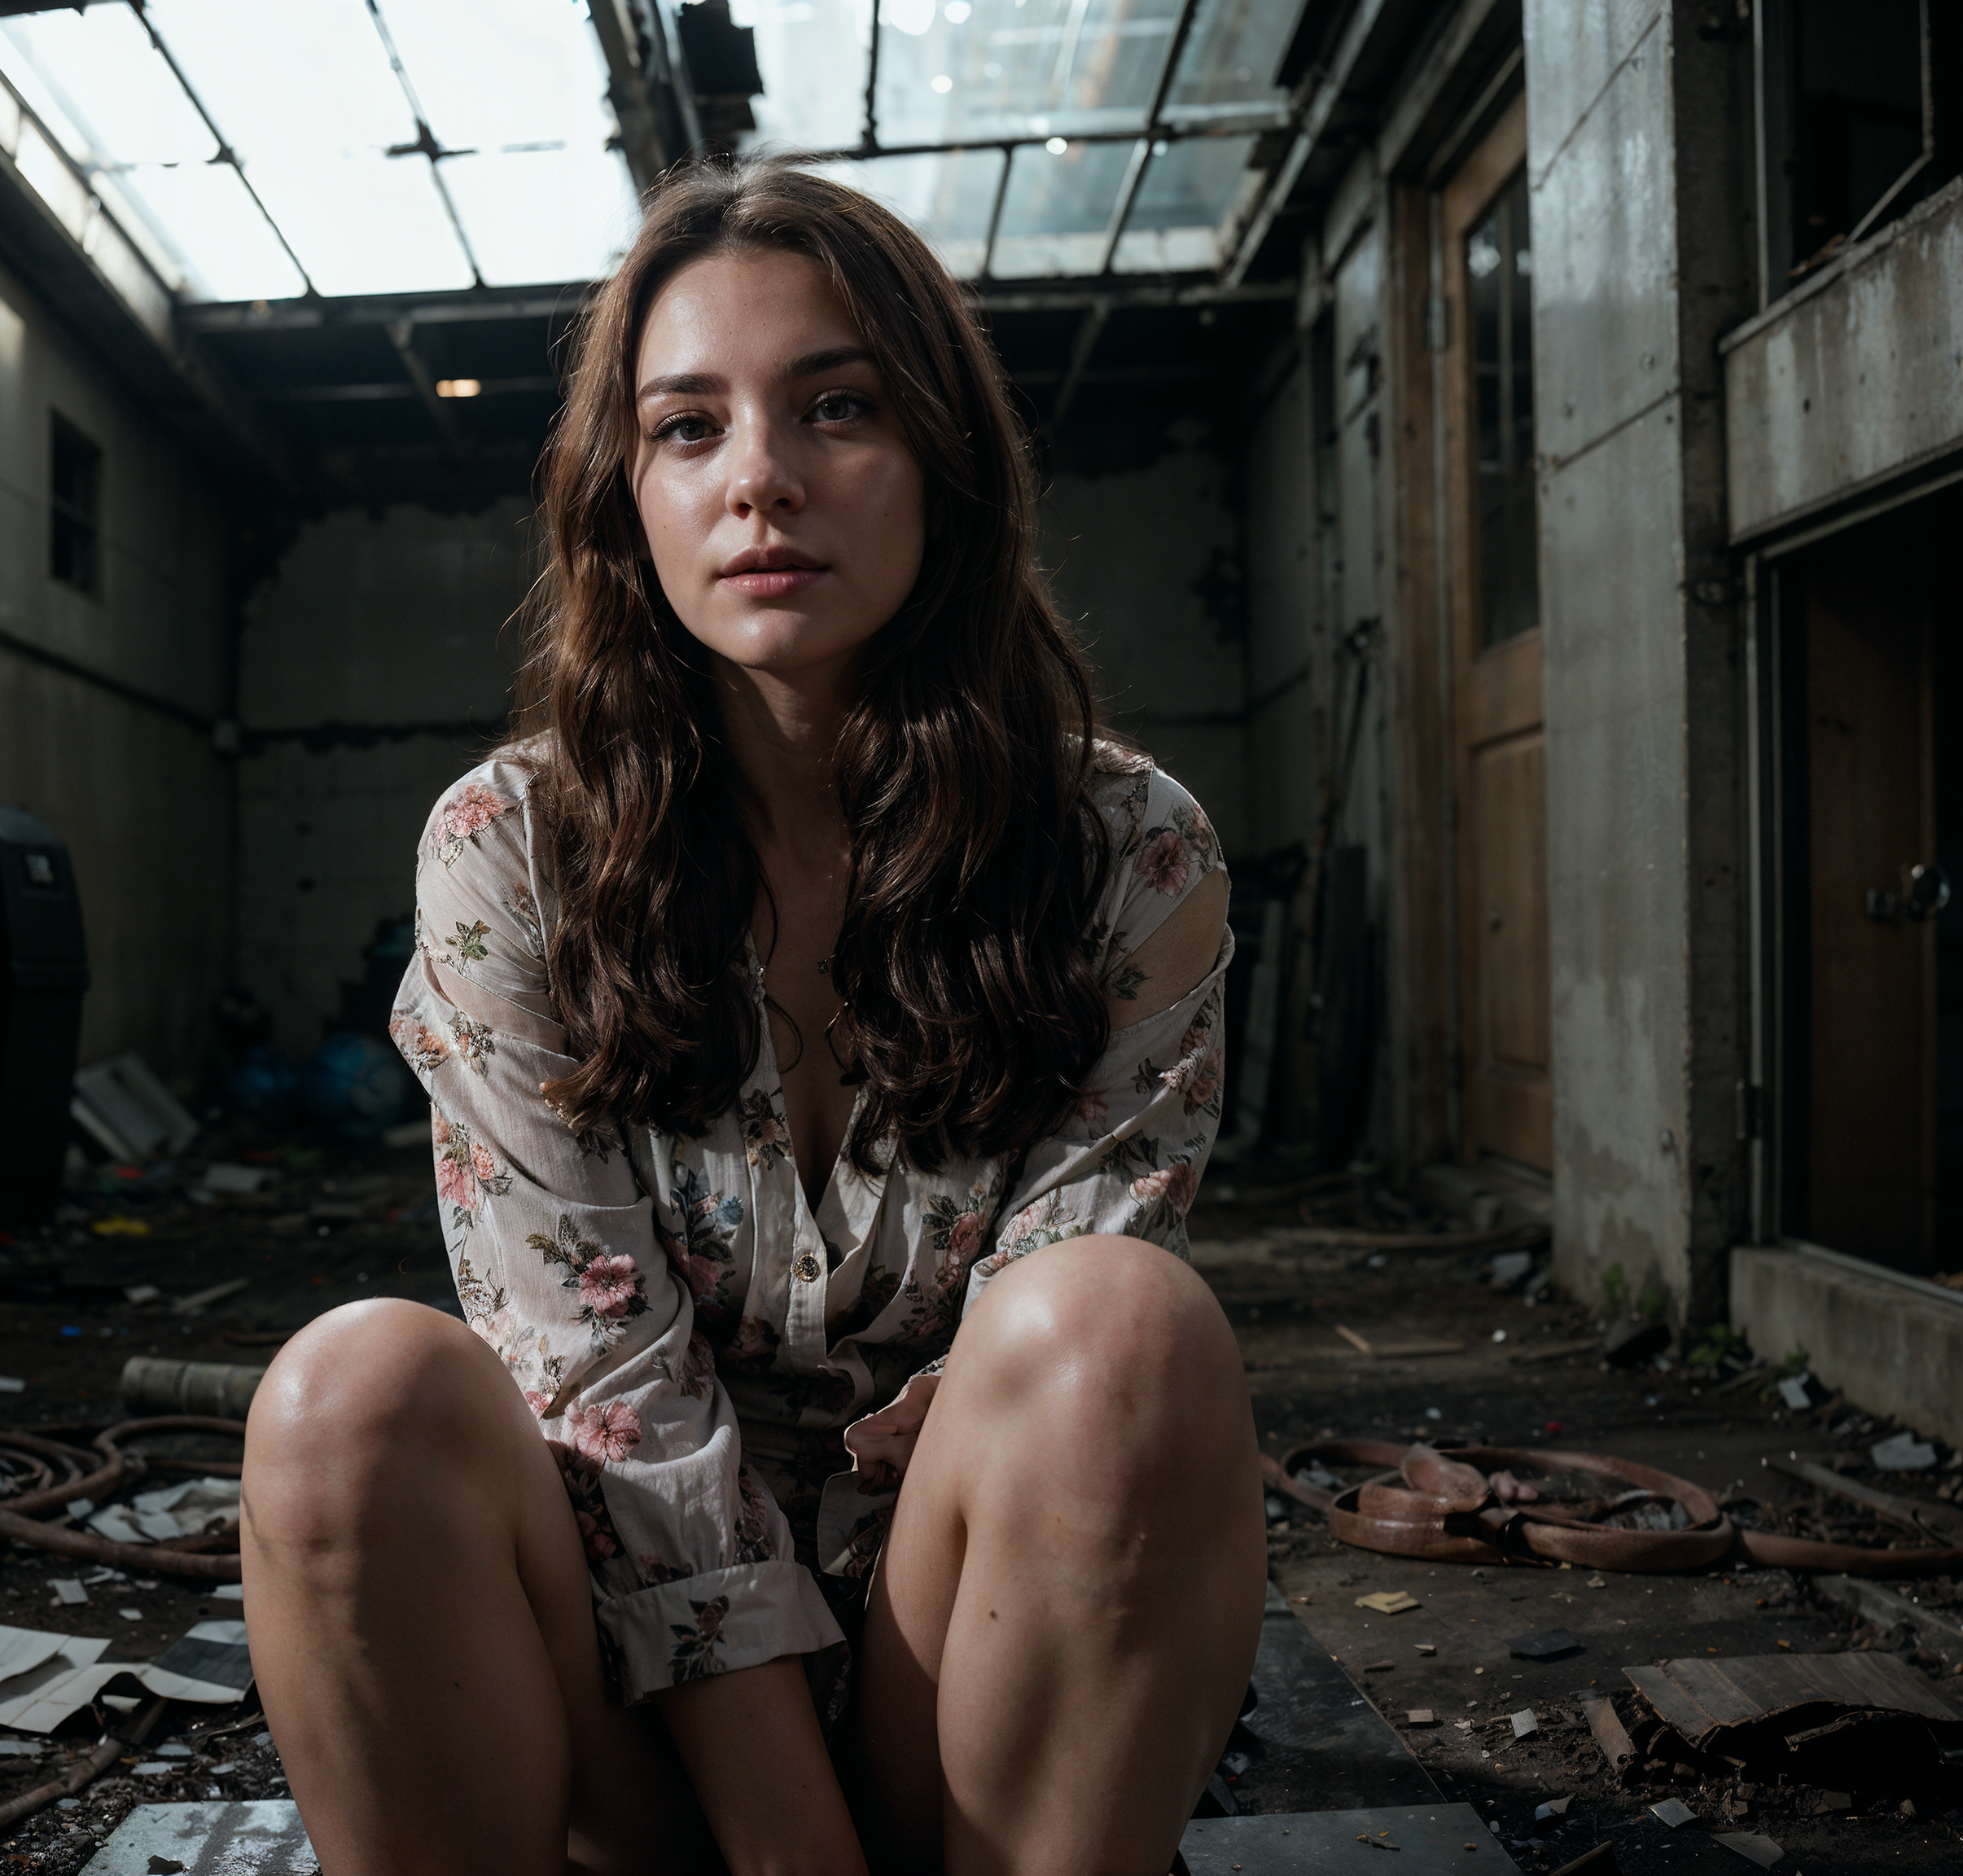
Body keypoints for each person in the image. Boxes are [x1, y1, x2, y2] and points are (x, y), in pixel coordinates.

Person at [239, 157, 1264, 1876]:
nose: (761, 482)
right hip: (620, 1692)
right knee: (348, 1396)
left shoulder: (1126, 850)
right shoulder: (514, 850)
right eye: (688, 427)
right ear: (622, 492)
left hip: (980, 1681)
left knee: (1126, 1336)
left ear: (943, 452)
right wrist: (790, 1847)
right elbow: (595, 1377)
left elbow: (1059, 1376)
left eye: (835, 407)